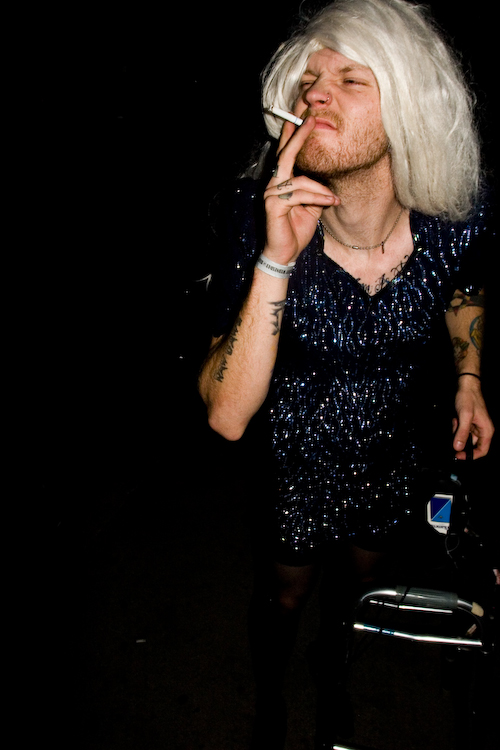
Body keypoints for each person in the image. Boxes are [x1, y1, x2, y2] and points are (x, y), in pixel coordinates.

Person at [198, 1, 495, 747]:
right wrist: (277, 259)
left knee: (358, 591)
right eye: (308, 81)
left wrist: (468, 377)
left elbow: (463, 287)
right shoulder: (257, 214)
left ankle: (333, 672)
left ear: (412, 110)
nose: (315, 95)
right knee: (284, 598)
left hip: (394, 452)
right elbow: (226, 415)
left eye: (351, 80)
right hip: (296, 459)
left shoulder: (454, 218)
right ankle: (271, 700)